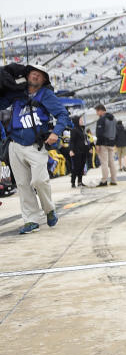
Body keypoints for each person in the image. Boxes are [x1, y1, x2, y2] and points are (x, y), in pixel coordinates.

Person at [0, 63, 70, 233]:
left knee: (39, 180)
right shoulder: (17, 92)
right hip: (15, 145)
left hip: (36, 146)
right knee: (23, 185)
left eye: (40, 74)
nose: (36, 76)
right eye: (33, 73)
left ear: (44, 79)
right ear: (27, 74)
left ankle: (49, 209)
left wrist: (57, 133)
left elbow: (63, 115)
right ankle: (31, 221)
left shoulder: (46, 95)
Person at [94, 103, 119, 186]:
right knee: (112, 162)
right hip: (112, 143)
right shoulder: (114, 119)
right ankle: (114, 180)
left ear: (100, 111)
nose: (97, 114)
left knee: (104, 163)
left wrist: (97, 144)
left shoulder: (101, 120)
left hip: (103, 143)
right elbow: (116, 131)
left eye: (97, 112)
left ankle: (104, 180)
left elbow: (99, 133)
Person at [68, 115, 90, 188]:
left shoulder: (82, 129)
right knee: (76, 167)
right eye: (80, 120)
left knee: (81, 167)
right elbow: (72, 141)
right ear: (76, 121)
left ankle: (80, 182)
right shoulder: (74, 130)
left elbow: (85, 141)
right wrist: (71, 150)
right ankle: (73, 182)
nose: (82, 121)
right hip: (77, 151)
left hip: (83, 151)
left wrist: (88, 148)